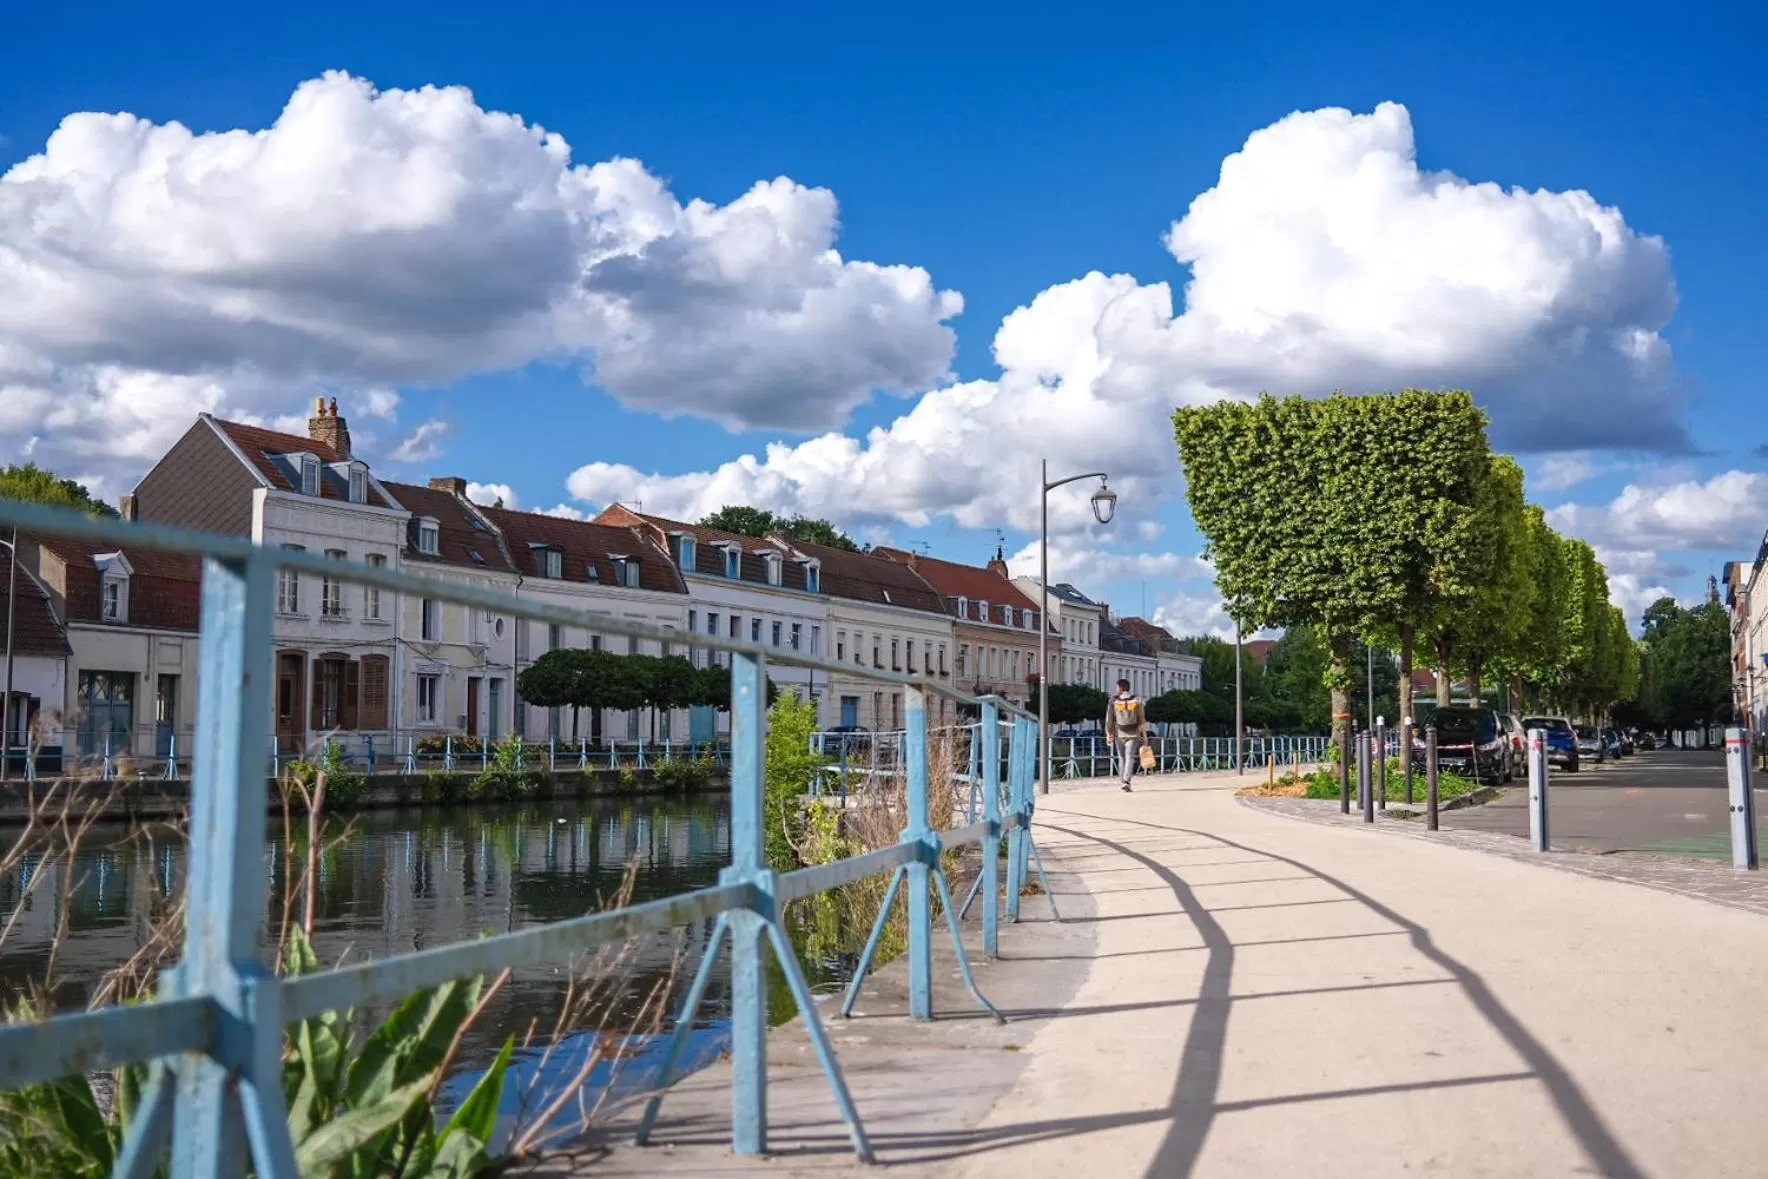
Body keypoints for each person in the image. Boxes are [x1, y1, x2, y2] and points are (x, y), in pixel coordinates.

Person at [1105, 678, 1146, 791]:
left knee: (1121, 758)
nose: (1116, 689)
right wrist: (1144, 736)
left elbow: (1109, 719)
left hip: (1119, 733)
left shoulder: (1113, 701)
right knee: (1129, 757)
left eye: (1117, 687)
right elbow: (1142, 719)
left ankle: (1122, 781)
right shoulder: (1137, 700)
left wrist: (1108, 734)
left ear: (1120, 688)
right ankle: (1126, 781)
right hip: (1133, 733)